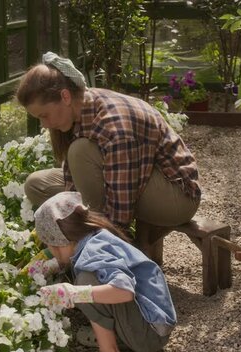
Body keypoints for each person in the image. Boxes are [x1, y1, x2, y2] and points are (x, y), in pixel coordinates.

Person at [16, 52, 201, 232]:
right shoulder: (79, 108)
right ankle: (82, 229)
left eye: (44, 115)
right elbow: (73, 182)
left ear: (65, 96)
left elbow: (121, 212)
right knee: (35, 185)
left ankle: (90, 236)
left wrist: (100, 244)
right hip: (130, 177)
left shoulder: (113, 125)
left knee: (79, 151)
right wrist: (69, 209)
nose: (44, 124)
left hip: (177, 196)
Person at [34, 191, 176, 352]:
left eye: (49, 245)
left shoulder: (92, 253)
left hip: (149, 335)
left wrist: (73, 293)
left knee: (86, 281)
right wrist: (53, 265)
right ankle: (116, 337)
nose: (50, 250)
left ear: (58, 242)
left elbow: (124, 290)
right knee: (86, 281)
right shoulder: (95, 236)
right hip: (155, 320)